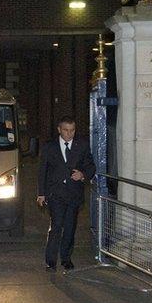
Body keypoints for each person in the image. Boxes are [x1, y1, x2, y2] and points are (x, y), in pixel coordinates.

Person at [36, 116, 95, 271]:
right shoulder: (49, 147)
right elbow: (42, 171)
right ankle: (51, 260)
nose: (69, 134)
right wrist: (41, 193)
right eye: (66, 130)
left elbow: (90, 166)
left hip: (74, 194)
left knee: (69, 227)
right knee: (56, 226)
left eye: (72, 130)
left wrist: (82, 174)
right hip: (55, 194)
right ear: (59, 130)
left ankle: (66, 259)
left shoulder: (81, 146)